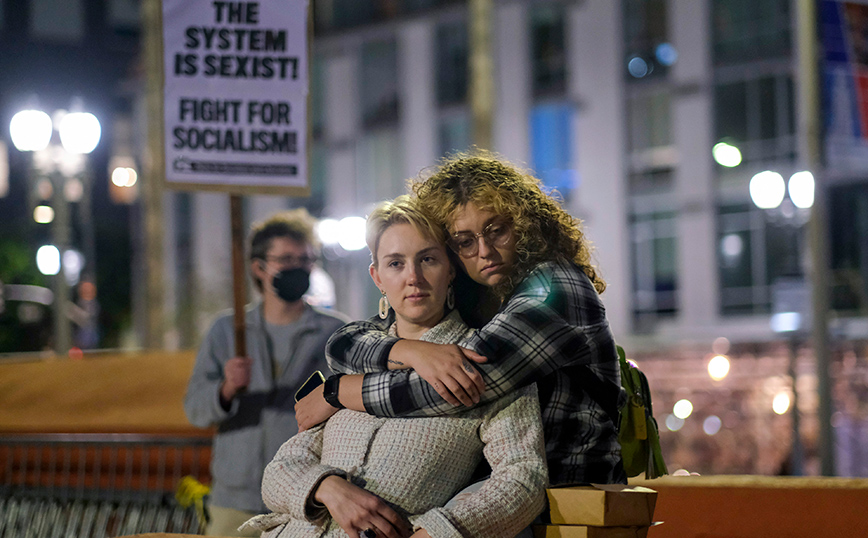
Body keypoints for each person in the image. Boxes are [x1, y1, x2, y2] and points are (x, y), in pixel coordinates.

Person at [298, 152, 626, 486]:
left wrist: (338, 391)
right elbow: (346, 343)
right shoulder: (481, 292)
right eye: (464, 242)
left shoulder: (555, 288)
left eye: (496, 231)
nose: (484, 251)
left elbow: (458, 385)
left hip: (571, 495)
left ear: (525, 224)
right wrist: (409, 350)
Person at [243, 196, 547, 538]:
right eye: (396, 263)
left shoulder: (488, 360)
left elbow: (523, 479)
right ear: (377, 277)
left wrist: (437, 533)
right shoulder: (358, 358)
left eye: (427, 259)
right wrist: (328, 488)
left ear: (450, 270)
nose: (413, 277)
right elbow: (280, 471)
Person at [184, 209, 350, 537]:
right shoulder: (227, 331)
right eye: (286, 259)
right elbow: (195, 410)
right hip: (235, 502)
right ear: (259, 267)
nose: (298, 267)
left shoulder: (336, 332)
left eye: (306, 259)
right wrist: (226, 389)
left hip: (305, 499)